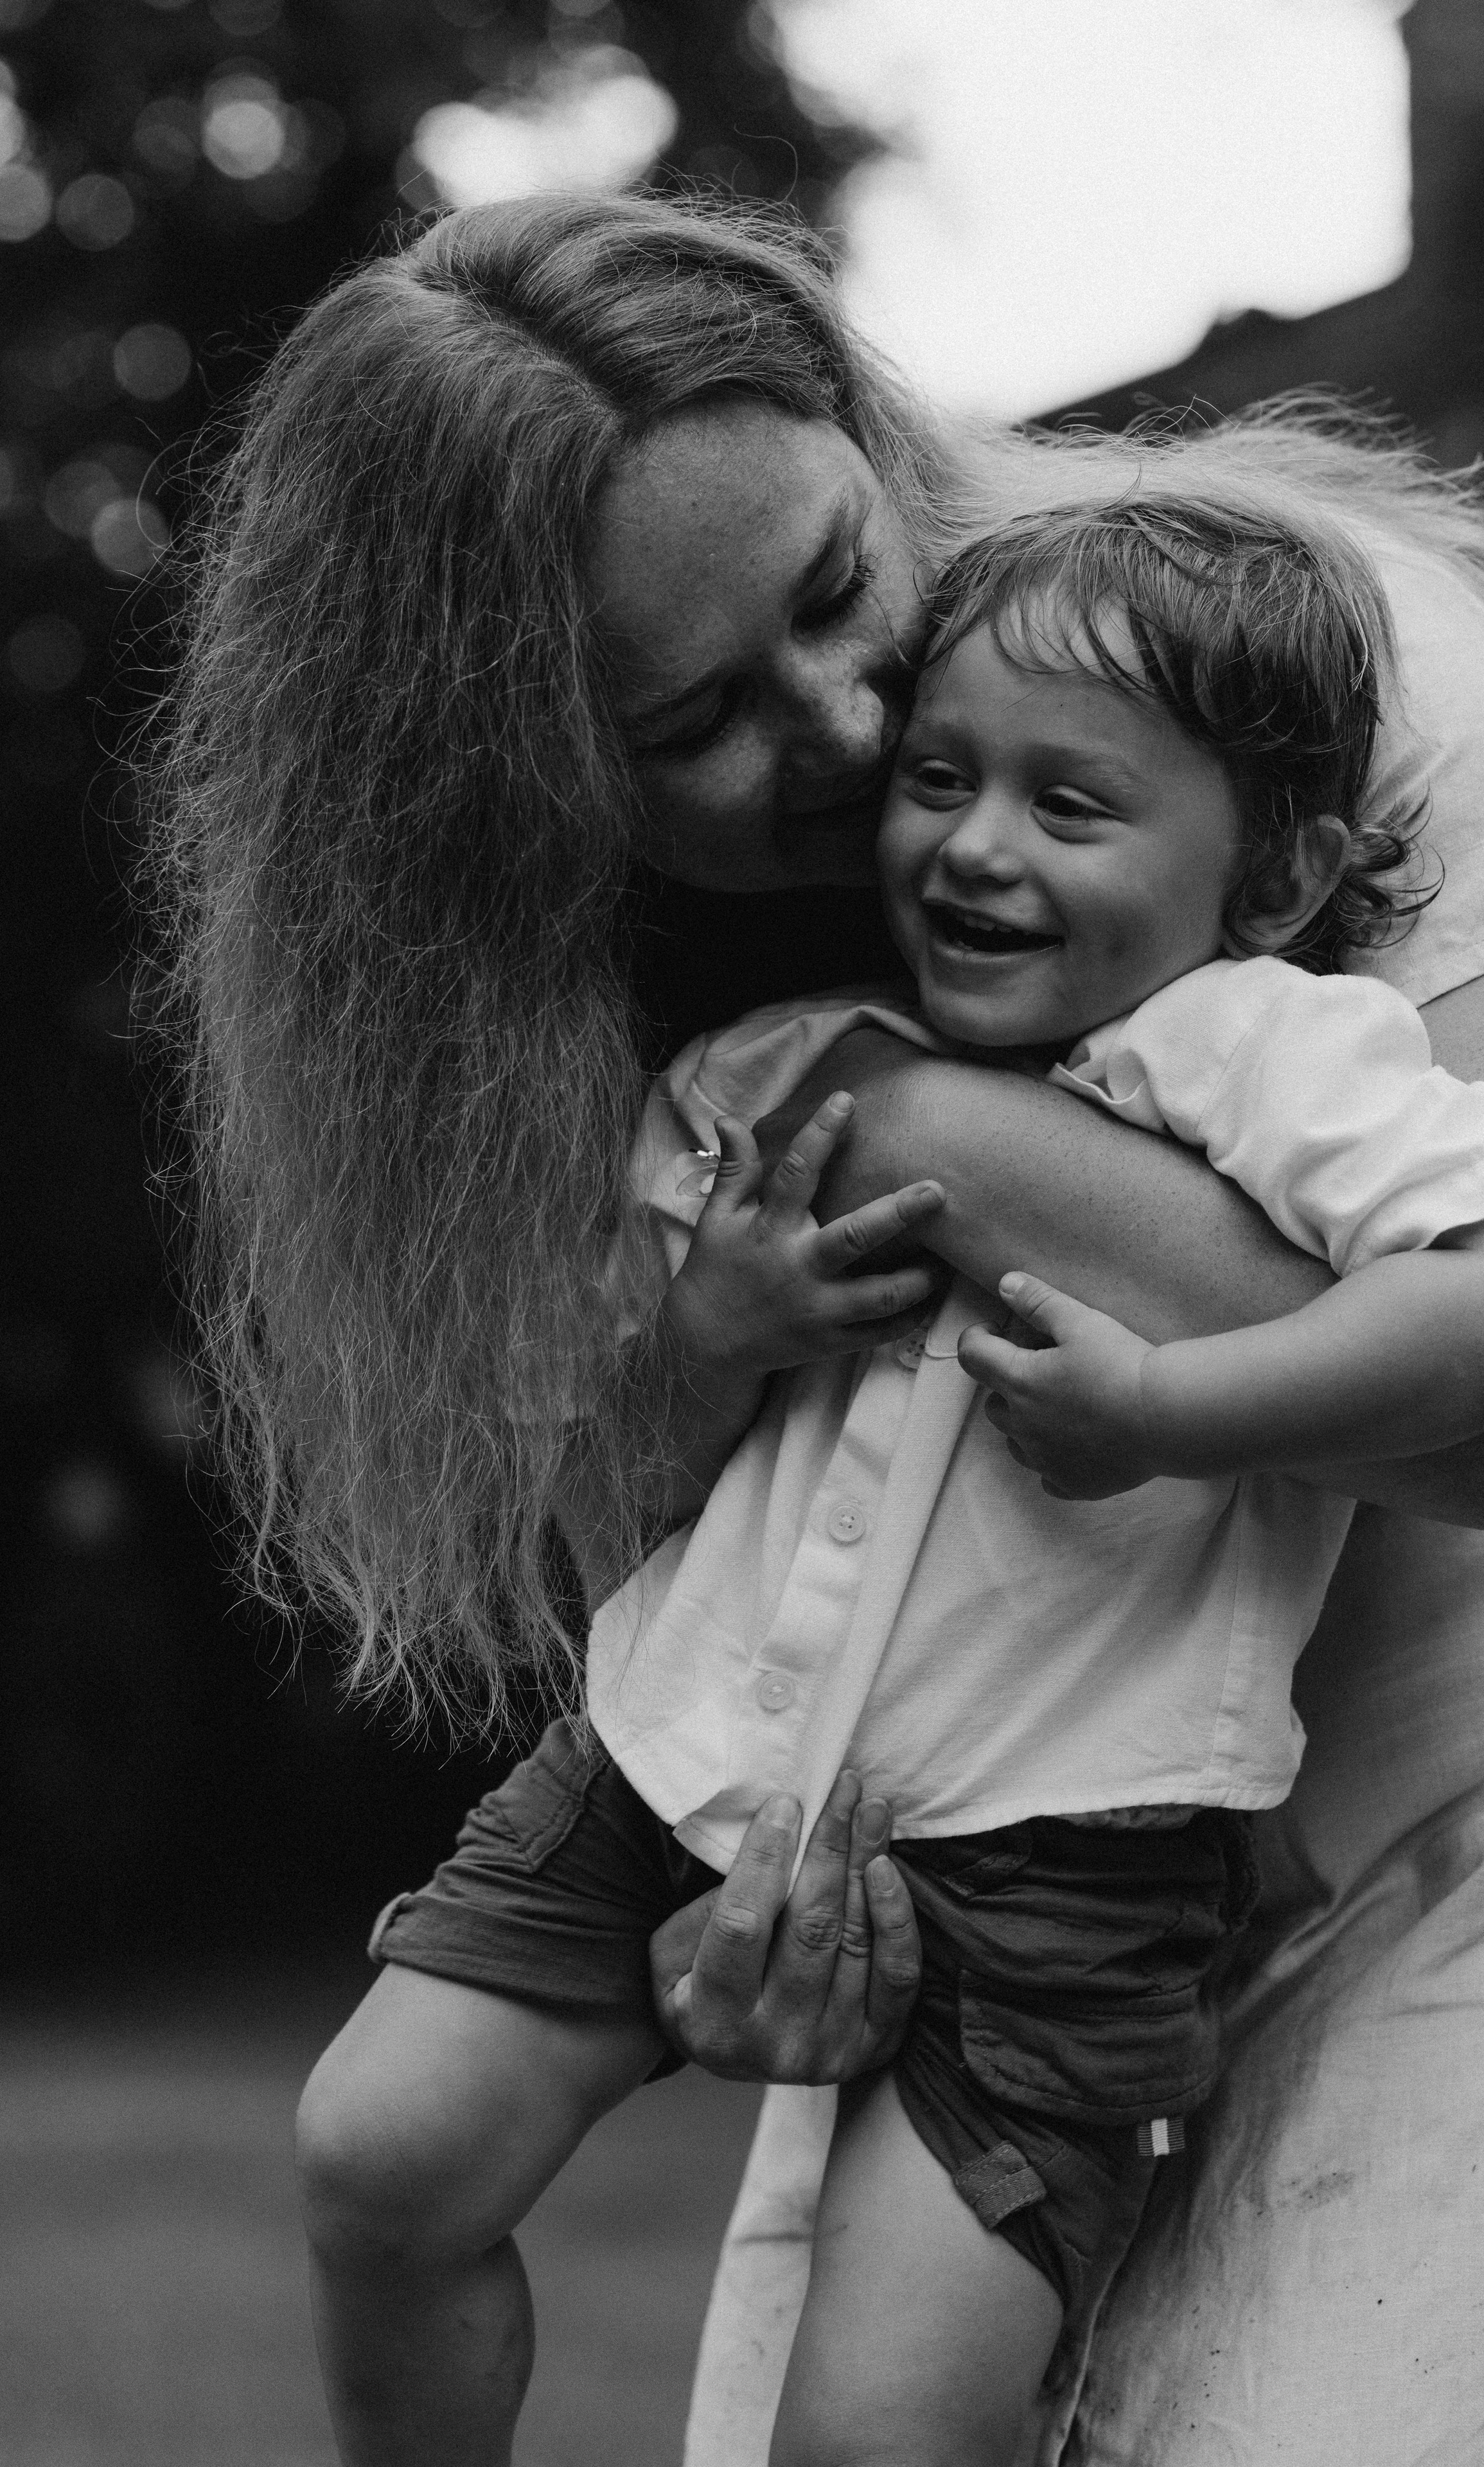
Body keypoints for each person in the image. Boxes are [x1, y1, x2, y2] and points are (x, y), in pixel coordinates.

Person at [143, 191, 1484, 2465]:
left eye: (844, 592)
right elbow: (634, 1531)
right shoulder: (608, 1013)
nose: (861, 737)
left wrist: (892, 1108)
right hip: (914, 1786)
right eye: (696, 722)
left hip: (1406, 1811)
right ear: (533, 804)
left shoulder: (1272, 682)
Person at [483, 497, 1481, 2465]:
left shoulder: (1267, 970)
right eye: (940, 777)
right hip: (899, 1813)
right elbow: (598, 1502)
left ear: (1281, 876)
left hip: (1273, 1840)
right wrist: (720, 1338)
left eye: (847, 598)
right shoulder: (778, 1037)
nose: (908, 787)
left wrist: (1168, 1399)